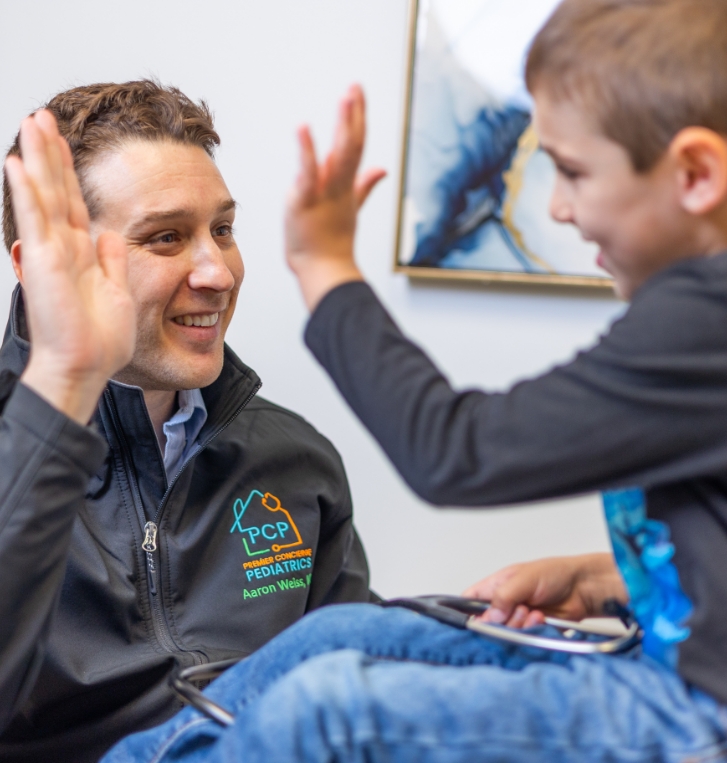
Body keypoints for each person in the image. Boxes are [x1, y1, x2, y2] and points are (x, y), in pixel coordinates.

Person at [101, 0, 727, 760]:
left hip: (693, 707)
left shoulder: (703, 318)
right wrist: (606, 577)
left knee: (331, 702)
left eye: (569, 170)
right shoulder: (25, 454)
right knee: (337, 644)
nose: (557, 208)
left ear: (695, 174)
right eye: (166, 237)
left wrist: (327, 266)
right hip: (684, 668)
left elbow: (454, 452)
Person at [0, 80, 372, 763]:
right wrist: (64, 385)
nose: (218, 272)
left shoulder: (295, 459)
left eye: (222, 231)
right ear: (43, 268)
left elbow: (347, 682)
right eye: (166, 237)